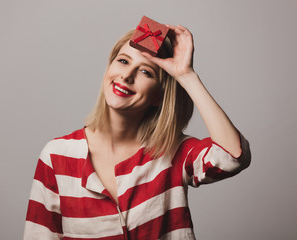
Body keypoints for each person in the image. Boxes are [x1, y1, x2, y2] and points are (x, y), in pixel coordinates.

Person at [23, 24, 251, 240]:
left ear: (158, 96)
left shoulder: (173, 153)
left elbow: (233, 156)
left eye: (145, 72)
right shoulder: (57, 155)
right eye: (123, 61)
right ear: (109, 68)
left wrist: (186, 76)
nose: (127, 75)